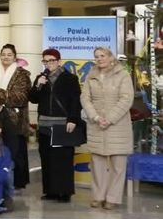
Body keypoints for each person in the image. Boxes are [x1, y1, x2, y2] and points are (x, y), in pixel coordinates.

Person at [82, 46, 134, 210]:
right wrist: (95, 117)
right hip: (97, 124)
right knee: (97, 163)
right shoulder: (91, 75)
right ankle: (98, 196)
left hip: (117, 125)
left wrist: (110, 119)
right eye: (96, 56)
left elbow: (126, 99)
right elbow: (85, 98)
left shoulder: (123, 75)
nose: (99, 59)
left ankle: (112, 198)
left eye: (102, 55)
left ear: (111, 57)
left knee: (118, 165)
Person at [29, 48, 82, 203]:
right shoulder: (41, 78)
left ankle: (64, 192)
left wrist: (73, 119)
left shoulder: (69, 78)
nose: (48, 63)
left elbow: (75, 101)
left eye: (52, 60)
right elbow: (33, 99)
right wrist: (38, 85)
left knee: (63, 159)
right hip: (44, 125)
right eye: (45, 61)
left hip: (62, 124)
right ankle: (50, 191)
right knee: (46, 159)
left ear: (59, 61)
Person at [0, 43, 32, 190]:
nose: (6, 57)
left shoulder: (22, 74)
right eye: (3, 54)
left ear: (15, 57)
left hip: (15, 119)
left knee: (16, 151)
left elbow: (21, 97)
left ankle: (18, 182)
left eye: (9, 55)